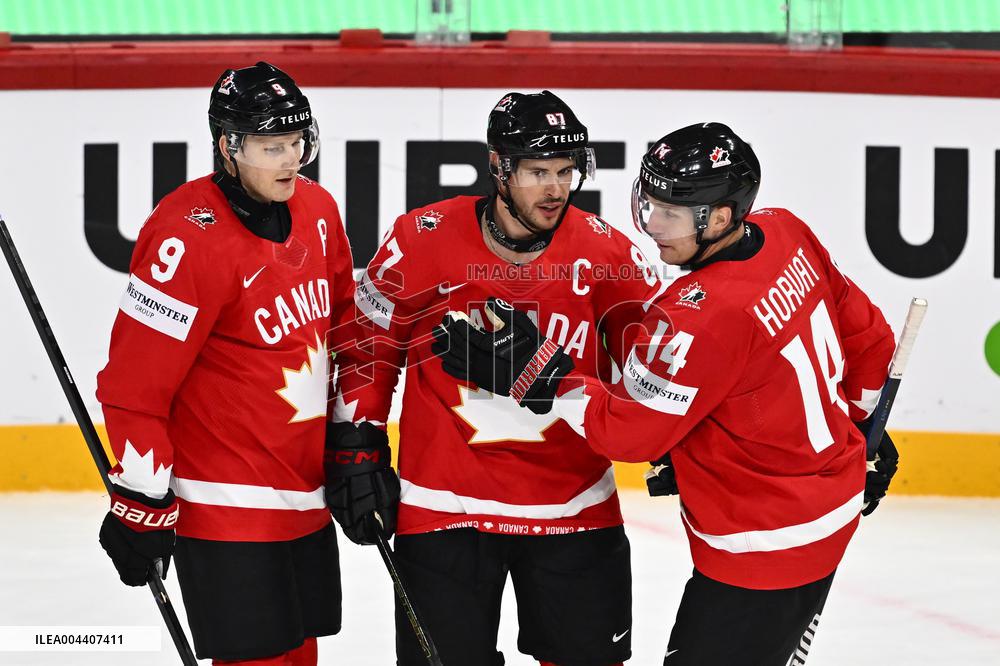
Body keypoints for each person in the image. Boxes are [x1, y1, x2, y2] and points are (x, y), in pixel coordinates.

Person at [432, 122, 901, 665]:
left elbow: (628, 432)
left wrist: (541, 374)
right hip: (830, 508)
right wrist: (865, 425)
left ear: (720, 218)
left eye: (670, 213)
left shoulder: (695, 316)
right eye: (648, 204)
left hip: (762, 545)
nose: (652, 226)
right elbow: (870, 338)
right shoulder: (785, 232)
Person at [332, 91, 662, 666]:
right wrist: (356, 444)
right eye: (538, 172)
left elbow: (659, 370)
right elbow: (369, 346)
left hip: (574, 509)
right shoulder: (421, 239)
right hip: (443, 509)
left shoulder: (610, 256)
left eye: (566, 171)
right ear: (498, 167)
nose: (556, 189)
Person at [95, 61, 387, 666]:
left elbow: (346, 338)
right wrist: (141, 499)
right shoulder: (184, 236)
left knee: (303, 654)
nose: (290, 160)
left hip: (305, 498)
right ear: (228, 146)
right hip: (222, 509)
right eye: (270, 146)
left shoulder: (320, 210)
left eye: (297, 142)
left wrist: (353, 439)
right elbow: (133, 386)